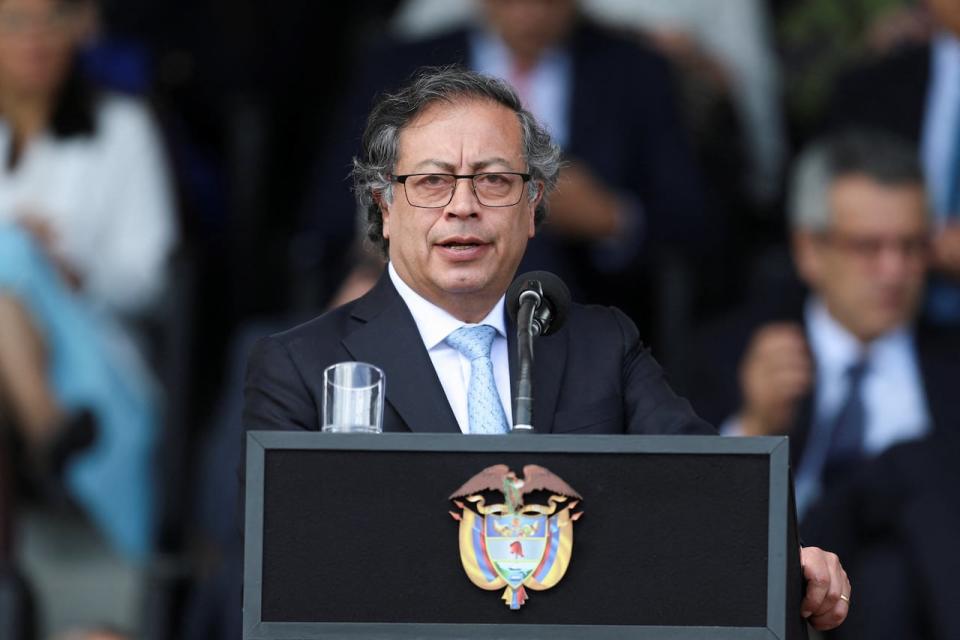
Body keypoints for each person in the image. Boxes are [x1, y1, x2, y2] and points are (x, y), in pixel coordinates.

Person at [244, 65, 850, 631]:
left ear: (533, 208)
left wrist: (781, 557)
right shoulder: (300, 365)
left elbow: (705, 490)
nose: (463, 206)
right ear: (384, 204)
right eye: (431, 182)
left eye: (494, 180)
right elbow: (285, 568)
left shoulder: (600, 343)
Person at [686, 129, 958, 637]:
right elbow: (686, 525)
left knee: (889, 568)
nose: (894, 270)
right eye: (868, 247)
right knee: (913, 467)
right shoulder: (734, 351)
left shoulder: (951, 364)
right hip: (791, 577)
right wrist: (756, 423)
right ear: (809, 250)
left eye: (911, 246)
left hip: (909, 593)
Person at [0, 0, 176, 558]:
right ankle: (51, 428)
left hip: (87, 341)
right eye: (15, 22)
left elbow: (148, 275)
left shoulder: (122, 128)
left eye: (51, 20)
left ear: (76, 30)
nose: (36, 39)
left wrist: (72, 270)